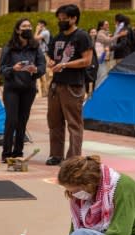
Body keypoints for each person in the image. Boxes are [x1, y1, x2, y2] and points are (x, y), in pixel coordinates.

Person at [45, 4, 93, 166]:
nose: (62, 21)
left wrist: (65, 65)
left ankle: (73, 158)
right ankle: (56, 155)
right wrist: (50, 61)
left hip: (73, 85)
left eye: (65, 19)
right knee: (54, 122)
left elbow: (87, 60)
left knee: (74, 122)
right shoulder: (57, 37)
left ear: (74, 18)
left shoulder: (82, 36)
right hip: (56, 85)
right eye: (59, 19)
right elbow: (49, 55)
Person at [0, 18, 45, 162]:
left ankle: (18, 152)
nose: (28, 29)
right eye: (24, 26)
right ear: (18, 30)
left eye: (30, 26)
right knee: (11, 120)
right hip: (12, 88)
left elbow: (42, 66)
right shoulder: (9, 47)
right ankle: (6, 153)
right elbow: (1, 69)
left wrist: (36, 69)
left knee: (22, 121)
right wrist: (13, 68)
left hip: (29, 89)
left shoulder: (35, 47)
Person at [35, 20, 52, 96]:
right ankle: (43, 91)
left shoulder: (45, 32)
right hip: (40, 54)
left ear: (42, 25)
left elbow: (34, 38)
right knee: (41, 72)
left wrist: (36, 30)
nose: (37, 26)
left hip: (44, 54)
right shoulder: (40, 33)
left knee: (45, 72)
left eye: (38, 25)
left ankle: (46, 91)